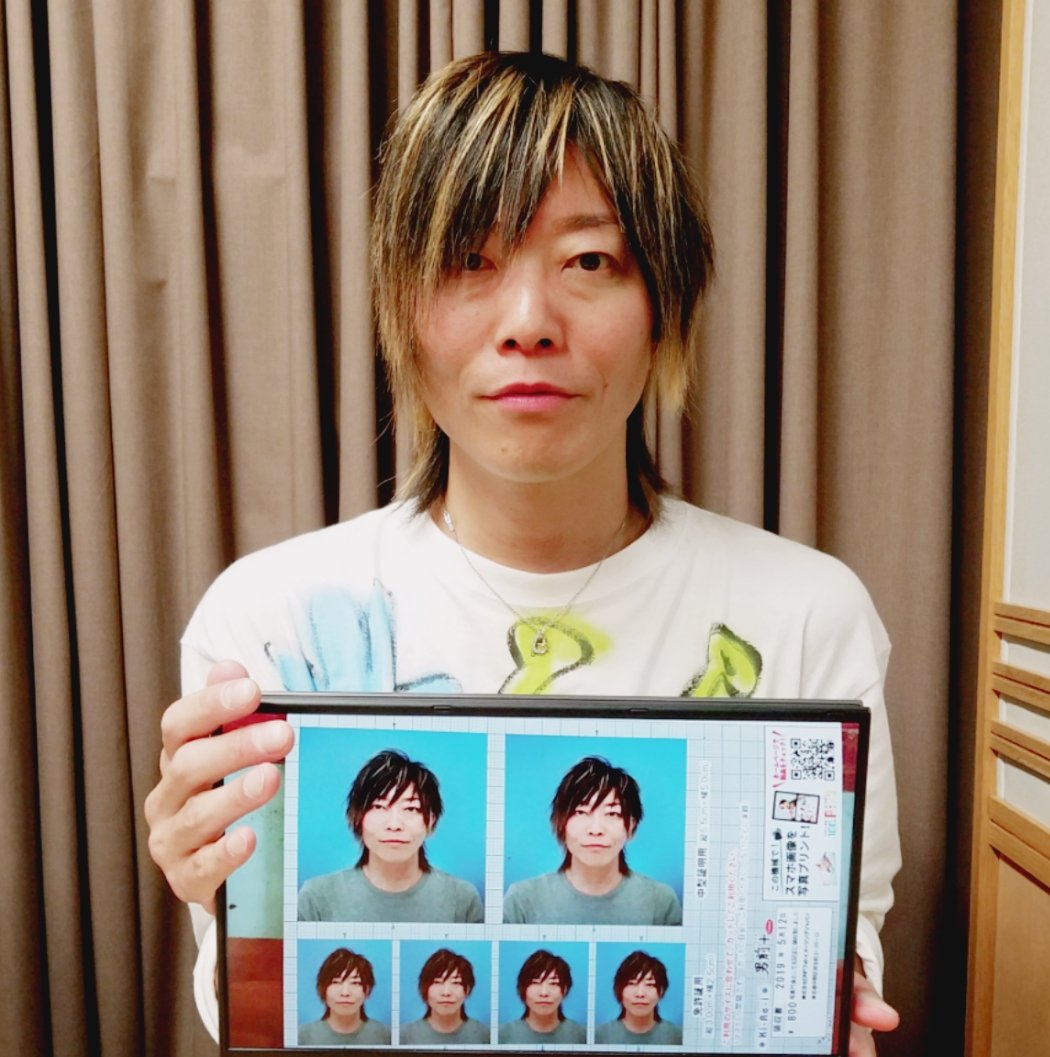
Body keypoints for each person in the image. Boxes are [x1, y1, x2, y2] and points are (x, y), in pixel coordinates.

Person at [143, 50, 901, 1055]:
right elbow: (259, 1009)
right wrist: (214, 888)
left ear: (665, 305)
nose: (530, 323)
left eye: (589, 261)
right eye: (468, 259)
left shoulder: (806, 611)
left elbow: (837, 945)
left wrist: (831, 997)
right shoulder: (273, 616)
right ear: (400, 311)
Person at [297, 748, 482, 922]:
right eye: (379, 807)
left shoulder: (462, 898)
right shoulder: (317, 898)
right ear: (357, 817)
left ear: (431, 820)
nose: (394, 825)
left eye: (411, 808)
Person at [503, 756, 681, 924]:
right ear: (561, 823)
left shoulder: (661, 902)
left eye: (612, 813)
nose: (596, 830)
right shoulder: (522, 901)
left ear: (631, 826)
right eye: (581, 812)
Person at [298, 947, 391, 1047]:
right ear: (323, 989)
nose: (345, 992)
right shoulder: (301, 1036)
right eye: (336, 982)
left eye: (355, 983)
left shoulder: (387, 1036)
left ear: (367, 990)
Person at [400, 948, 489, 1045]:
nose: (446, 992)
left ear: (467, 989)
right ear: (424, 988)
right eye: (437, 982)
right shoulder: (403, 1036)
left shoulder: (485, 1036)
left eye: (456, 982)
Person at [498, 949, 586, 1044]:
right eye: (535, 983)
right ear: (523, 988)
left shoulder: (582, 1036)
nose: (544, 993)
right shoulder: (502, 1036)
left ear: (564, 990)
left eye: (553, 983)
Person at [595, 950, 681, 1046]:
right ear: (619, 990)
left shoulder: (677, 1037)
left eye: (649, 984)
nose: (640, 994)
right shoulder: (599, 1036)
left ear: (661, 991)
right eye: (632, 984)